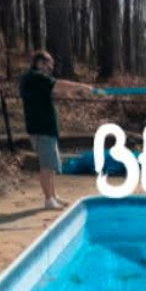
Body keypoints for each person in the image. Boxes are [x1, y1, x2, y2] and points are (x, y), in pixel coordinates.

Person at [19, 51, 96, 210]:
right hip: (41, 129)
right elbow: (59, 85)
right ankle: (48, 200)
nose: (50, 69)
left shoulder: (34, 79)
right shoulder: (35, 77)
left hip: (45, 128)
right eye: (49, 65)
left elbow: (55, 88)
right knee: (46, 166)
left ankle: (52, 196)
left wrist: (74, 90)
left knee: (50, 165)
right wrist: (82, 87)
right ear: (40, 63)